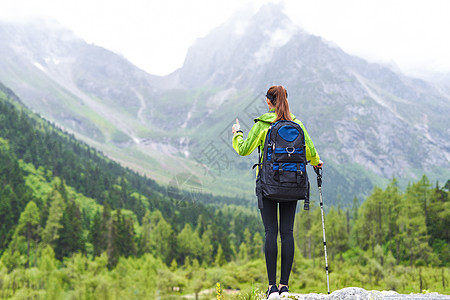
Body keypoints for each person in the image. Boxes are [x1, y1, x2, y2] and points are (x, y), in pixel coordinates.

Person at [231, 85, 323, 299]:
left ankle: (272, 288)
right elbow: (311, 152)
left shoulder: (263, 124)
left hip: (268, 185)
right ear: (286, 100)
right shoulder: (297, 124)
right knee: (287, 233)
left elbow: (244, 150)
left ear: (268, 102)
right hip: (293, 184)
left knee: (271, 233)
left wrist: (237, 134)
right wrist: (317, 163)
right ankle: (285, 286)